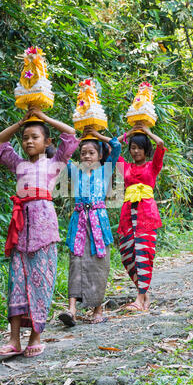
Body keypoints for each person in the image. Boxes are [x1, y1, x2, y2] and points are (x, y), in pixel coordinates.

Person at [0, 107, 80, 357]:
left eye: (35, 137)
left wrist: (44, 118)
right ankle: (14, 340)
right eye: (25, 138)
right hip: (20, 230)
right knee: (16, 283)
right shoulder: (18, 164)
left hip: (44, 231)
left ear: (47, 142)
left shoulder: (55, 163)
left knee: (41, 283)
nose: (29, 141)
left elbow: (71, 134)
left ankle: (35, 338)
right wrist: (21, 122)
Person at [58, 126, 121, 326]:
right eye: (83, 153)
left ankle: (98, 309)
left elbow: (116, 145)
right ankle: (72, 310)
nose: (86, 156)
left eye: (91, 152)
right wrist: (79, 139)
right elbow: (63, 156)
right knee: (76, 261)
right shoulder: (75, 171)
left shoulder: (106, 170)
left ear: (99, 155)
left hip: (98, 223)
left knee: (98, 264)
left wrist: (95, 136)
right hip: (79, 223)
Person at [116, 122, 166, 311]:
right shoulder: (125, 167)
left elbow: (160, 144)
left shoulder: (153, 166)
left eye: (139, 148)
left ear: (146, 150)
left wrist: (146, 131)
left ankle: (139, 299)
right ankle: (145, 295)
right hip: (128, 214)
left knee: (143, 254)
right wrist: (130, 133)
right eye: (133, 148)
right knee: (128, 255)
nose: (136, 151)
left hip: (146, 214)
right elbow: (111, 147)